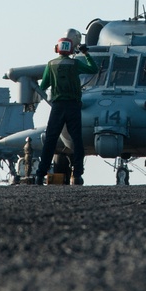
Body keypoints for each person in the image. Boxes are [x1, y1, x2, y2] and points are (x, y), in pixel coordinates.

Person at [34, 31, 98, 186]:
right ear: (71, 49)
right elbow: (93, 69)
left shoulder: (51, 64)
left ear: (57, 49)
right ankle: (77, 175)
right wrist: (86, 53)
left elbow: (43, 86)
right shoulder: (75, 64)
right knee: (77, 139)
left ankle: (40, 175)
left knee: (50, 140)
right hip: (73, 106)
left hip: (57, 106)